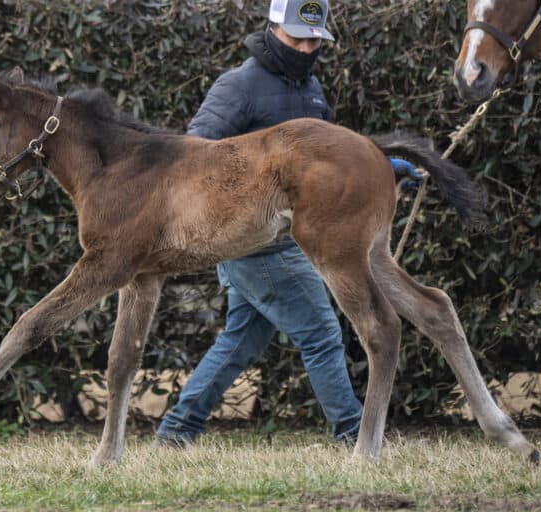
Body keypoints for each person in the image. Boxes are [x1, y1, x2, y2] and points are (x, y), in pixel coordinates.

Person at [156, 0, 418, 446]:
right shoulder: (239, 86)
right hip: (252, 242)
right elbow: (193, 157)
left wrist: (378, 169)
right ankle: (354, 433)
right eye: (297, 36)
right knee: (321, 331)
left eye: (314, 39)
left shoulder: (312, 89)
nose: (305, 46)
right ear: (272, 29)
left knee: (241, 341)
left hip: (291, 236)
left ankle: (177, 431)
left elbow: (326, 167)